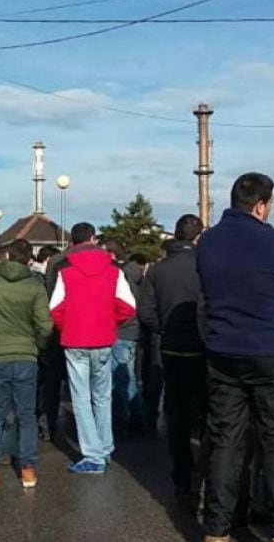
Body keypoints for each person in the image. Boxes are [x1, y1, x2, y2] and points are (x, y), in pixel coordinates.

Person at [196, 172, 274, 542]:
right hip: (269, 350)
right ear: (261, 205)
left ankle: (218, 527)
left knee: (226, 440)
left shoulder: (208, 242)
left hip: (222, 350)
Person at [49, 222, 137, 474]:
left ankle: (93, 454)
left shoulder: (65, 271)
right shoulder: (113, 271)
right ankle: (105, 446)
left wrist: (69, 325)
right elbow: (128, 306)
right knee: (102, 395)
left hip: (75, 338)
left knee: (81, 398)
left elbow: (55, 308)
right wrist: (111, 320)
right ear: (95, 239)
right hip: (104, 337)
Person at [0, 238, 53, 490]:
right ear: (29, 260)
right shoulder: (35, 285)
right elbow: (46, 325)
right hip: (27, 356)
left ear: (5, 257)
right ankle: (28, 470)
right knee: (26, 415)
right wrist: (36, 346)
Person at [137, 214, 206, 501]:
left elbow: (145, 310)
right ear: (198, 236)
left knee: (176, 413)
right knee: (207, 412)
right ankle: (207, 473)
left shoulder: (157, 270)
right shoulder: (205, 265)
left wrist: (162, 329)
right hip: (204, 347)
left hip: (171, 347)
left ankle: (181, 475)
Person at [103, 239, 146, 433]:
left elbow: (125, 306)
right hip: (129, 331)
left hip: (121, 331)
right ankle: (136, 417)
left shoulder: (118, 275)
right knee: (127, 378)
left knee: (122, 379)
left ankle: (125, 420)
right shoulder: (132, 273)